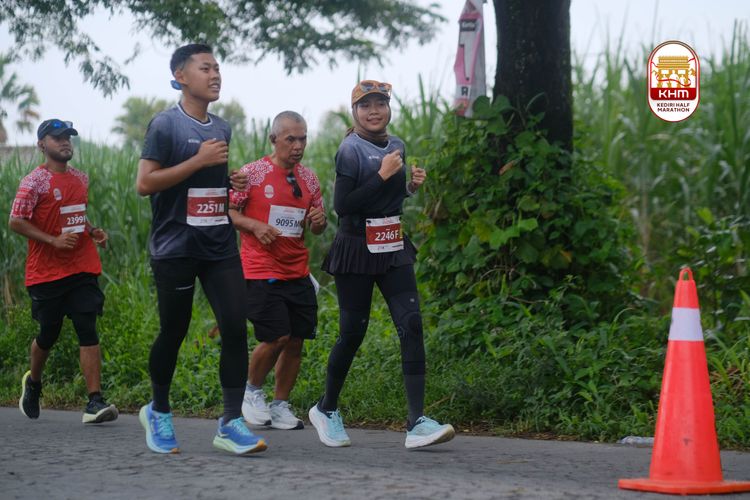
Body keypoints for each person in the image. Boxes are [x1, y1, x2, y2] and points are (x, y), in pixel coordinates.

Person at [308, 80, 455, 449]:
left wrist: (409, 188)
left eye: (380, 104)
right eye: (365, 106)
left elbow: (388, 197)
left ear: (389, 108)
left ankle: (416, 422)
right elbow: (344, 205)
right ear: (355, 112)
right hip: (356, 247)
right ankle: (326, 408)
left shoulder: (397, 145)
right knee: (352, 333)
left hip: (391, 244)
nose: (374, 111)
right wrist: (382, 175)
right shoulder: (349, 150)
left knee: (412, 324)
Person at [135, 43, 265, 455]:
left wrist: (229, 182)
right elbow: (145, 184)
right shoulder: (165, 125)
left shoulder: (221, 127)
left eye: (217, 68)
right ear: (181, 76)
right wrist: (197, 161)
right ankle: (158, 410)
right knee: (174, 330)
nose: (215, 75)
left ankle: (230, 421)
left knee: (235, 326)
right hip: (175, 246)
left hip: (218, 244)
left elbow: (203, 184)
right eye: (206, 68)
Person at [10, 118, 118, 425]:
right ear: (42, 144)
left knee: (87, 326)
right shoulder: (34, 182)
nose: (65, 142)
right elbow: (15, 221)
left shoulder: (80, 178)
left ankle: (94, 401)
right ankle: (34, 382)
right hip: (46, 272)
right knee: (49, 332)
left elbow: (74, 215)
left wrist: (92, 231)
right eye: (57, 137)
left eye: (68, 137)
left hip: (81, 266)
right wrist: (53, 240)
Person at [229, 111, 327, 431]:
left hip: (297, 270)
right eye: (290, 139)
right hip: (260, 268)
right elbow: (230, 212)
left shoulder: (309, 179)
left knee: (296, 340)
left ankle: (280, 404)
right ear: (274, 140)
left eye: (303, 139)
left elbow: (317, 226)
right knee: (277, 335)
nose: (298, 146)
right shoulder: (252, 174)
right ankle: (251, 392)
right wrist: (255, 226)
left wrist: (319, 221)